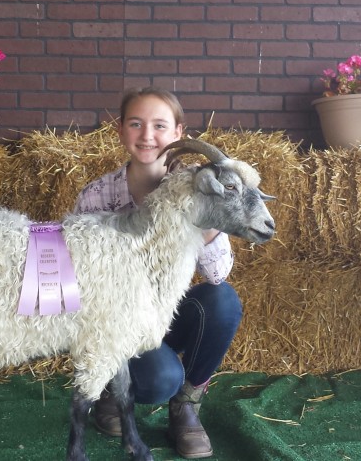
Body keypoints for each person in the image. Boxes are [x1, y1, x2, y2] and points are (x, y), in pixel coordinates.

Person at [73, 87, 243, 459]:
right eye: (136, 124)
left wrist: (209, 223)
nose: (147, 135)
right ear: (120, 130)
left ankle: (187, 405)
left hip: (168, 312)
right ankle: (109, 389)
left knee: (222, 300)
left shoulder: (202, 191)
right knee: (158, 380)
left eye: (160, 126)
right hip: (119, 323)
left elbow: (217, 274)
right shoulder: (95, 197)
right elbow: (79, 283)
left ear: (179, 133)